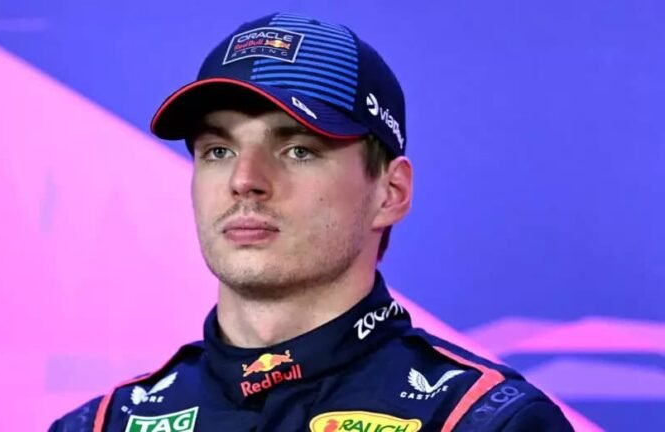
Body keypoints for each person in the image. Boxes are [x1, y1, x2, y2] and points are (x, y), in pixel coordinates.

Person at [49, 12, 574, 432]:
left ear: (390, 193)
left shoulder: (483, 421)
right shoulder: (102, 424)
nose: (245, 180)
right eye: (217, 151)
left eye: (298, 150)